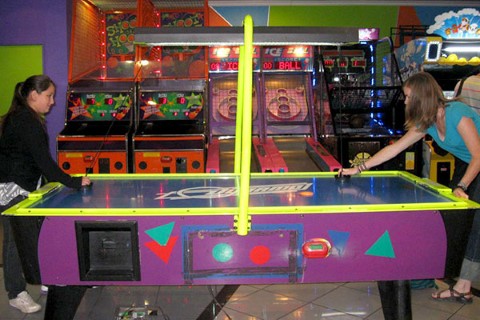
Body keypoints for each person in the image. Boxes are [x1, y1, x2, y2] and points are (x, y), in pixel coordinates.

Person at [340, 71, 480, 304]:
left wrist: (463, 185)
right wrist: (358, 168)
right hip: (467, 164)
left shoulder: (457, 113)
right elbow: (394, 149)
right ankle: (444, 272)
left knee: (474, 223)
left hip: (476, 162)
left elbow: (478, 156)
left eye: (407, 96)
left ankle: (463, 286)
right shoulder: (426, 122)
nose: (405, 101)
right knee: (457, 219)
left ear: (421, 96)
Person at [0, 75, 91, 313]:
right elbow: (44, 161)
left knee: (37, 236)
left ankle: (46, 278)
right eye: (49, 96)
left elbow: (37, 162)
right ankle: (16, 293)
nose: (52, 102)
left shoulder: (27, 118)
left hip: (26, 187)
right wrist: (74, 181)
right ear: (33, 96)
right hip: (11, 190)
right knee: (15, 242)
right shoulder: (24, 120)